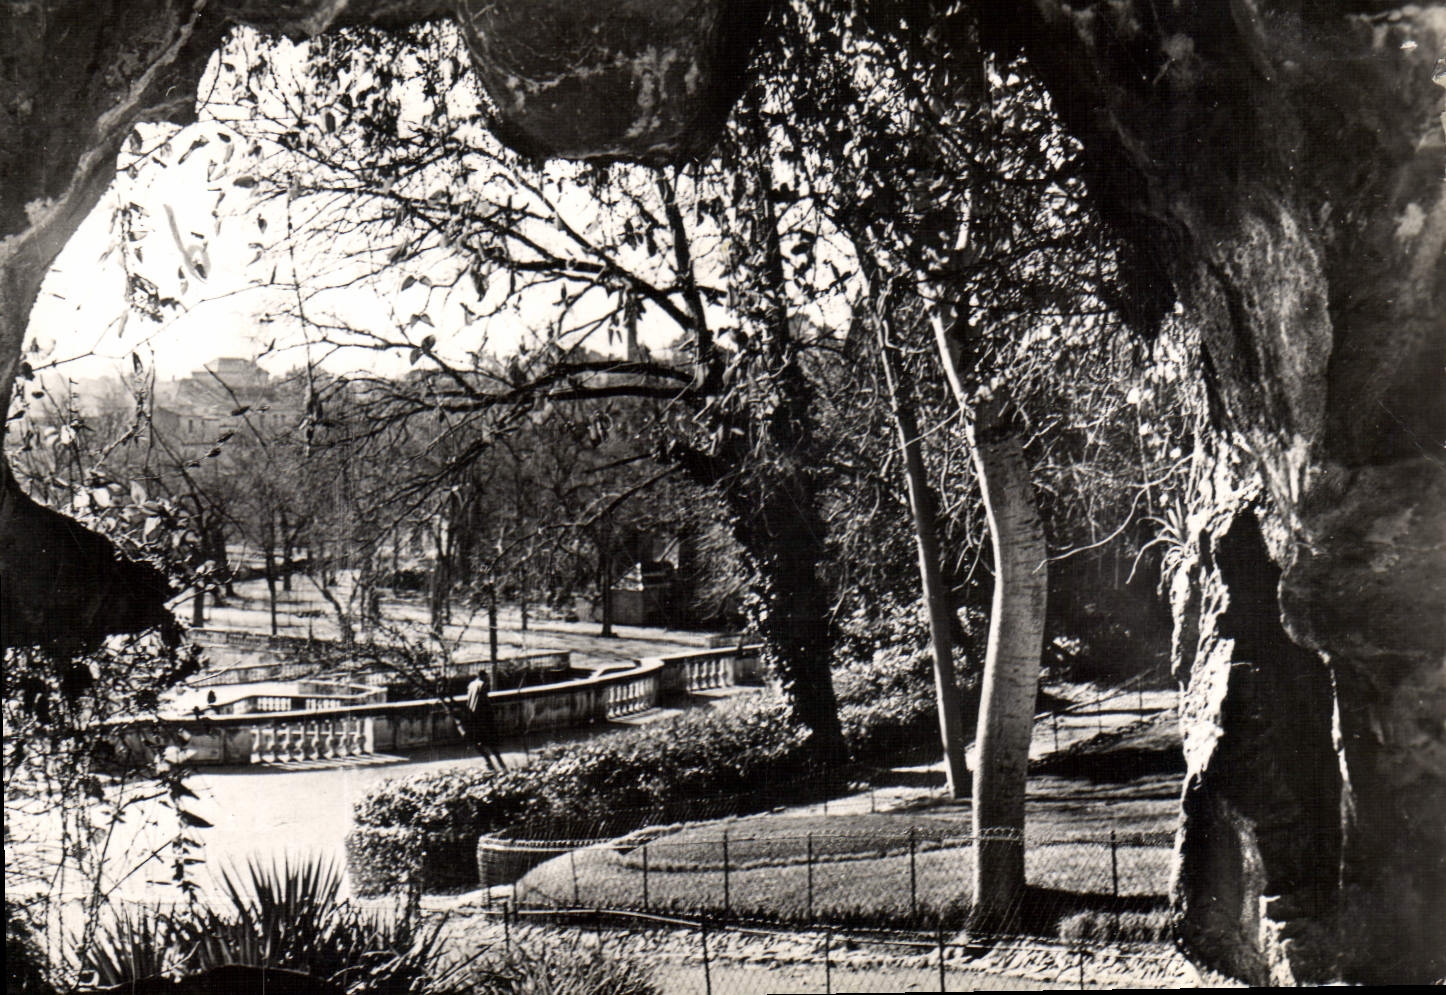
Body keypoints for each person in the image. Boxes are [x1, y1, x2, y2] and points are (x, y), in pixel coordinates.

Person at [465, 670, 506, 771]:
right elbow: (484, 700)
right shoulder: (483, 684)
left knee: (476, 737)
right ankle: (498, 763)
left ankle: (488, 760)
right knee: (490, 737)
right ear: (482, 676)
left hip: (471, 712)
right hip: (481, 713)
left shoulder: (471, 684)